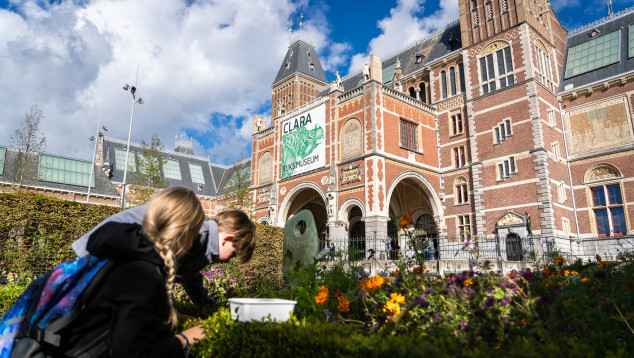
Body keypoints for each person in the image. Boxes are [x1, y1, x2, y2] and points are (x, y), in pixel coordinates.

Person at [64, 187, 207, 356]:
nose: (192, 244)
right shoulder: (142, 275)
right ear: (184, 232)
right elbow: (131, 353)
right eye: (194, 235)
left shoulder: (134, 258)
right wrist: (184, 339)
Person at [72, 201, 256, 308]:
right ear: (227, 239)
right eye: (233, 255)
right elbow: (155, 272)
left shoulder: (204, 240)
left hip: (107, 258)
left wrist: (206, 304)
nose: (227, 262)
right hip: (101, 259)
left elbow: (190, 275)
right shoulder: (195, 234)